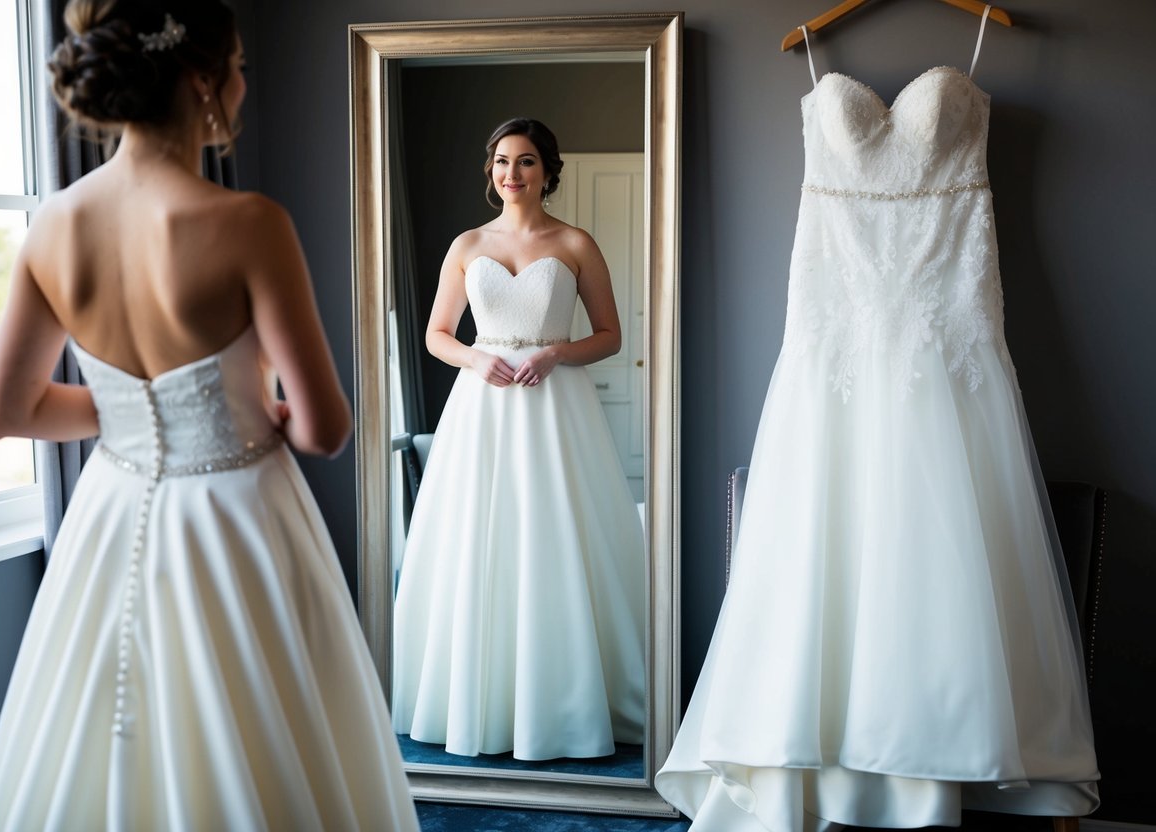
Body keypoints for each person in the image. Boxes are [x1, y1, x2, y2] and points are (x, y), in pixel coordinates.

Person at [0, 2, 419, 829]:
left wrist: (136, 415)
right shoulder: (249, 224)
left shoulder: (52, 229)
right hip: (238, 516)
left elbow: (10, 410)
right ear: (200, 79)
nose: (245, 85)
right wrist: (237, 411)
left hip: (109, 512)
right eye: (240, 66)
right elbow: (324, 427)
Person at [656, 9, 1099, 831]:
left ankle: (943, 753)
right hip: (833, 341)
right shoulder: (808, 48)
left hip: (950, 329)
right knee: (823, 540)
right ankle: (815, 760)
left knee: (948, 549)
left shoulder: (973, 56)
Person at [390, 118, 646, 761]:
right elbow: (438, 333)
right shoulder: (467, 243)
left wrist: (557, 352)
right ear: (490, 171)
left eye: (526, 161)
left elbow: (611, 334)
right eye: (502, 161)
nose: (512, 173)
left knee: (556, 533)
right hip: (482, 405)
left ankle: (567, 697)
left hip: (554, 403)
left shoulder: (575, 242)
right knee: (480, 536)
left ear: (547, 171)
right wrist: (475, 361)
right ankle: (480, 697)